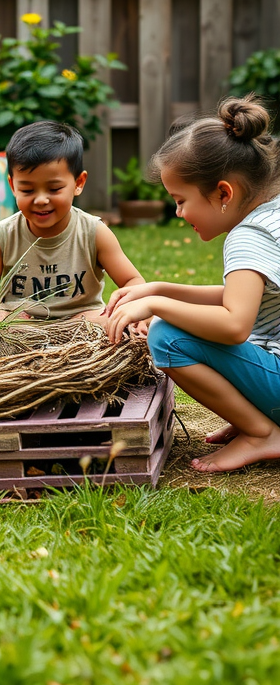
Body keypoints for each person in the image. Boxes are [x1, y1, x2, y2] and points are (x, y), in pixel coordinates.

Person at [104, 96, 280, 474]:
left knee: (167, 337)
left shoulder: (249, 236)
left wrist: (158, 308)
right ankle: (254, 415)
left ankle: (262, 432)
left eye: (181, 201)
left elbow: (235, 325)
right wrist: (159, 289)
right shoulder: (273, 215)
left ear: (223, 193)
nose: (179, 213)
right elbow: (250, 299)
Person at [0, 120, 146, 323]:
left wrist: (130, 307)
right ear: (13, 186)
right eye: (27, 190)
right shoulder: (3, 235)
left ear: (78, 183)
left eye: (54, 189)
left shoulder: (94, 232)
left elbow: (131, 280)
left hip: (81, 320)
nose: (40, 200)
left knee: (110, 321)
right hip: (21, 323)